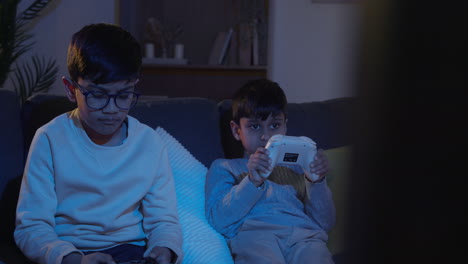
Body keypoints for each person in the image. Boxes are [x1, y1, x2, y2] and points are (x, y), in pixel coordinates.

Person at [14, 23, 183, 264]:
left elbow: (164, 221)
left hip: (131, 252)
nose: (111, 110)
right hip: (70, 252)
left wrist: (164, 249)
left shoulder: (149, 143)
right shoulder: (50, 139)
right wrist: (73, 259)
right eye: (97, 95)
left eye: (123, 95)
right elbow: (31, 227)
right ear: (71, 90)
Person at [205, 78, 336, 264]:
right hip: (255, 236)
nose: (266, 136)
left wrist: (316, 180)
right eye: (254, 126)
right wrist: (252, 181)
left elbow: (325, 223)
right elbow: (219, 220)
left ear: (285, 125)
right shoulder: (225, 167)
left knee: (316, 256)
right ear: (236, 130)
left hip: (303, 236)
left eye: (275, 125)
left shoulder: (299, 166)